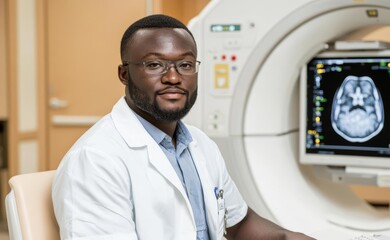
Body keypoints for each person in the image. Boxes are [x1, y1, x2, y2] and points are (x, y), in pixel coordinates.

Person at [52, 14, 316, 240]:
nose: (173, 77)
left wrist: (293, 237)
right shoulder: (95, 160)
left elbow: (240, 225)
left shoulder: (201, 145)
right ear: (124, 74)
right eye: (155, 65)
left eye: (185, 65)